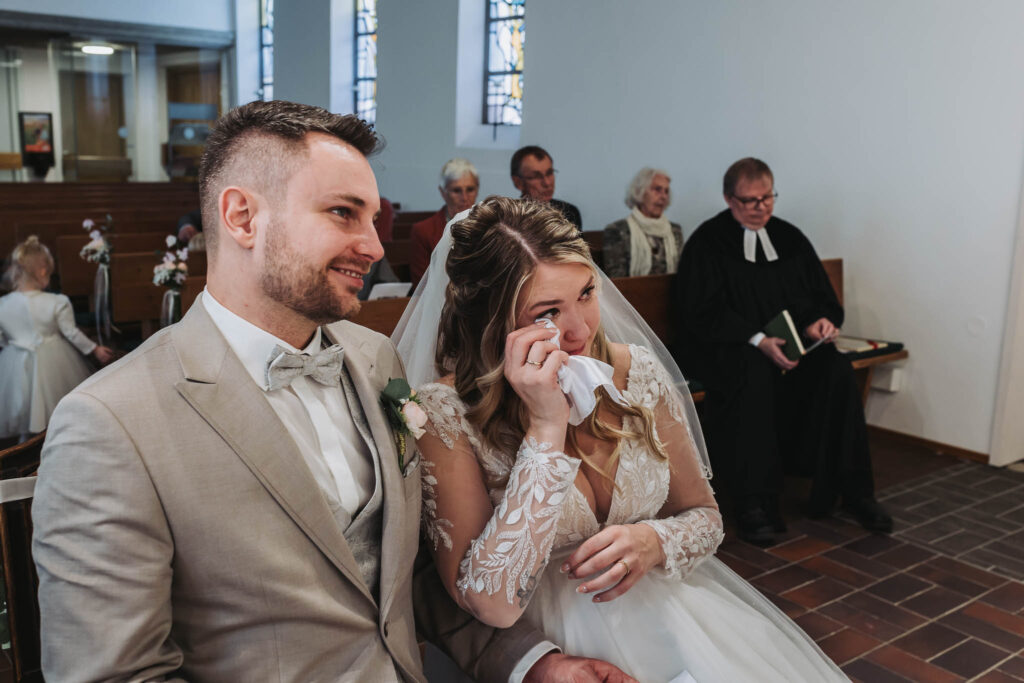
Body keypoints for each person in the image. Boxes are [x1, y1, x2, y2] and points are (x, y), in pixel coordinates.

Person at [31, 101, 626, 683]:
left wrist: (531, 662)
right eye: (343, 213)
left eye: (374, 218)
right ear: (242, 217)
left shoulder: (375, 359)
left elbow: (407, 573)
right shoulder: (111, 422)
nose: (372, 245)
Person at [393, 196, 847, 682]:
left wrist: (655, 539)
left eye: (587, 293)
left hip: (669, 618)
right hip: (540, 642)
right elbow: (491, 604)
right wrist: (546, 430)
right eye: (547, 311)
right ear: (490, 317)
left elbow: (707, 517)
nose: (581, 329)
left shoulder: (636, 371)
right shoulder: (444, 414)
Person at [673, 157, 892, 546]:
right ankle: (755, 501)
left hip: (790, 349)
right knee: (752, 370)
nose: (760, 208)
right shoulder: (708, 242)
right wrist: (757, 339)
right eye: (749, 201)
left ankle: (853, 492)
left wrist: (819, 322)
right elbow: (700, 311)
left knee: (837, 369)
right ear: (728, 198)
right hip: (731, 349)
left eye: (767, 198)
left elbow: (818, 297)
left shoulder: (790, 238)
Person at [0, 236, 113, 441]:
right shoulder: (56, 301)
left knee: (22, 407)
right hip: (52, 363)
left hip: (15, 363)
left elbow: (2, 339)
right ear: (43, 271)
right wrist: (94, 349)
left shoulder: (3, 304)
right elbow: (71, 332)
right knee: (57, 411)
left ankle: (23, 449)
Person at [410, 158, 479, 287]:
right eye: (456, 190)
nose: (464, 198)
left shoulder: (490, 227)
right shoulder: (424, 231)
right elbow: (421, 286)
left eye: (470, 189)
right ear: (443, 192)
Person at [602, 168, 683, 278]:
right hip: (631, 294)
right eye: (657, 189)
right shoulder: (617, 231)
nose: (663, 196)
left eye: (666, 191)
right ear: (640, 192)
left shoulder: (675, 230)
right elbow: (616, 281)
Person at [511, 145, 582, 231]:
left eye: (549, 173)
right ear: (518, 182)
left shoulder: (569, 213)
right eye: (536, 176)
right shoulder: (509, 219)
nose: (547, 183)